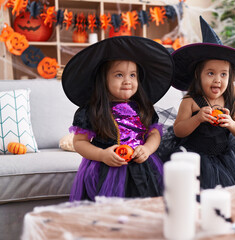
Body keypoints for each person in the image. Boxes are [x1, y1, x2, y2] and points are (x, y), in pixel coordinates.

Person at [62, 36, 174, 201]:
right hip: (106, 169)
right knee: (110, 211)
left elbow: (154, 134)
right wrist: (101, 154)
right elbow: (79, 142)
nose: (128, 81)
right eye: (119, 75)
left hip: (143, 167)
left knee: (144, 206)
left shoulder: (144, 108)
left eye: (133, 75)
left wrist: (148, 149)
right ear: (104, 79)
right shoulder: (93, 110)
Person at [162, 16, 235, 189]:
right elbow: (178, 130)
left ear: (230, 78)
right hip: (196, 156)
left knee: (233, 190)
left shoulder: (231, 101)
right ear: (198, 75)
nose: (217, 80)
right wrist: (197, 118)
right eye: (210, 73)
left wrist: (231, 124)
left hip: (227, 157)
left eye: (223, 74)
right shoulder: (191, 101)